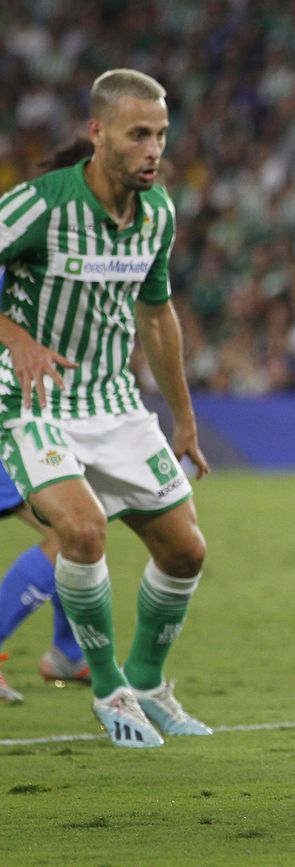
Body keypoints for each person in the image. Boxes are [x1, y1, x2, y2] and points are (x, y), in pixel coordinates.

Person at [0, 69, 210, 747]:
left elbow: (158, 317)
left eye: (161, 134)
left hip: (114, 401)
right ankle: (107, 684)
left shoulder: (159, 215)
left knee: (185, 549)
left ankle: (147, 681)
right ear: (97, 133)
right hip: (34, 400)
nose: (154, 149)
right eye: (138, 134)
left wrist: (182, 417)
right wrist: (19, 338)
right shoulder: (41, 204)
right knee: (83, 531)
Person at [0, 141, 99, 702]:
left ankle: (68, 650)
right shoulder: (28, 234)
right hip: (7, 410)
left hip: (32, 409)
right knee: (70, 531)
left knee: (77, 529)